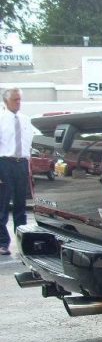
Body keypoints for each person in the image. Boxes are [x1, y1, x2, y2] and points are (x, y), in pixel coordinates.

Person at [0, 88, 34, 255]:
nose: (18, 103)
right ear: (6, 102)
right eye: (15, 100)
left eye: (20, 99)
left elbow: (28, 144)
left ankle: (23, 242)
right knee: (3, 205)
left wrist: (29, 166)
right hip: (4, 163)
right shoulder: (1, 119)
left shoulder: (26, 120)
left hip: (21, 164)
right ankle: (3, 243)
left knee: (21, 205)